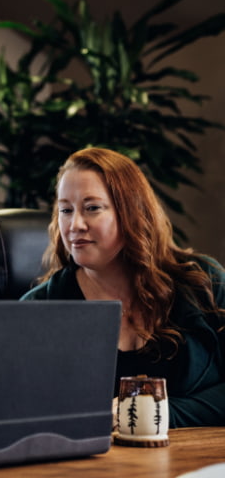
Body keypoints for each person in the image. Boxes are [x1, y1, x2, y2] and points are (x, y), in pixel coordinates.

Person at [21, 147, 225, 428]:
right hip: (92, 469)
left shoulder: (204, 281)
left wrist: (157, 414)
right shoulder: (37, 308)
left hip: (199, 464)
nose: (74, 225)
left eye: (92, 208)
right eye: (65, 210)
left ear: (132, 211)